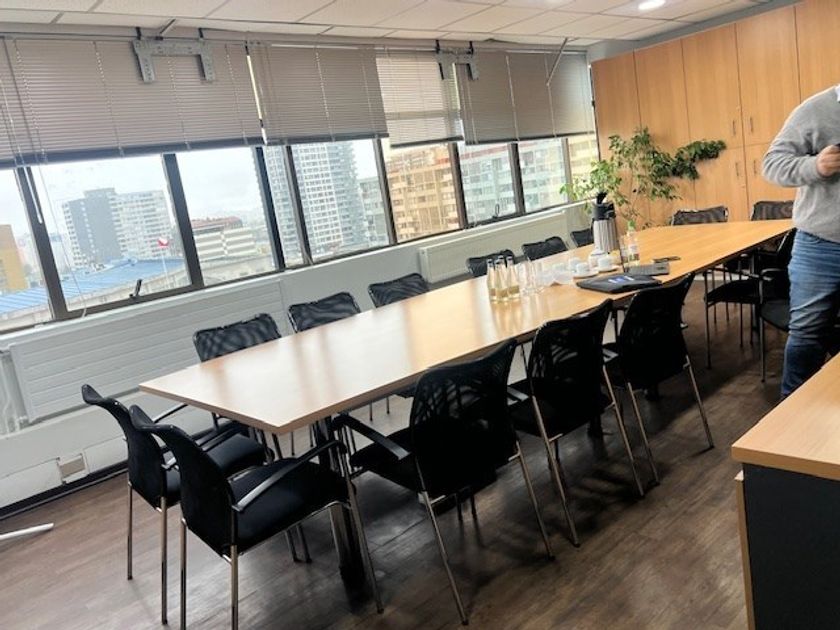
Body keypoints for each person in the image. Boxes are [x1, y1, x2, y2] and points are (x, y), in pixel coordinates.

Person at [763, 86, 840, 396]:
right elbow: (772, 164)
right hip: (819, 245)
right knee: (807, 335)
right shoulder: (816, 109)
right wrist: (815, 166)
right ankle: (791, 409)